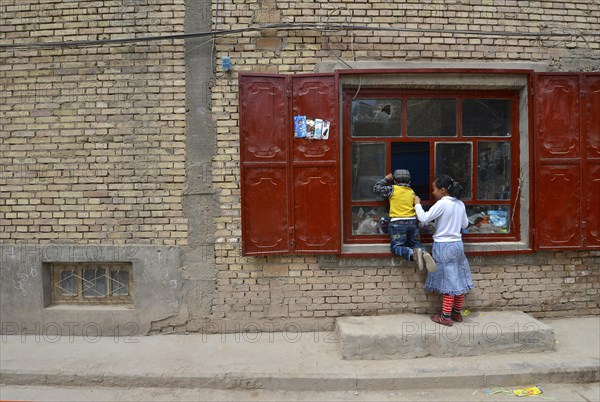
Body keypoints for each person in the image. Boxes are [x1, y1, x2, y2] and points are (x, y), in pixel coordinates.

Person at [414, 175, 475, 326]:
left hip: (443, 246)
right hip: (457, 244)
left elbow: (423, 218)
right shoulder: (460, 204)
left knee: (448, 281)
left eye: (434, 189)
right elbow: (465, 224)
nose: (433, 192)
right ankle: (456, 313)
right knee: (459, 279)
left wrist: (417, 204)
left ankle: (445, 317)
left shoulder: (442, 203)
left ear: (442, 190)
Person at [373, 169, 435, 271]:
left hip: (398, 222)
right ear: (409, 182)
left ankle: (411, 254)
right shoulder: (411, 192)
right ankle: (423, 252)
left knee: (396, 247)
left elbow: (376, 189)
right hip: (412, 222)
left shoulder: (392, 189)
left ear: (395, 181)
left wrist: (386, 178)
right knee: (415, 243)